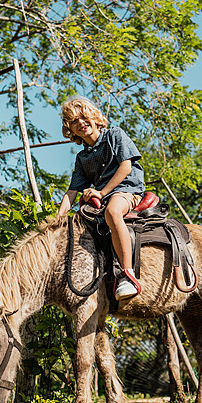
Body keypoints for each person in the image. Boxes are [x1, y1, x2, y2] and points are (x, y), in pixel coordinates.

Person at [57, 98, 145, 300]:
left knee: (112, 213)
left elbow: (126, 167)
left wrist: (101, 193)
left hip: (127, 189)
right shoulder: (82, 158)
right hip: (104, 196)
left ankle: (127, 274)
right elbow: (72, 192)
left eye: (83, 116)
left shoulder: (115, 135)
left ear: (94, 116)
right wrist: (57, 219)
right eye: (74, 121)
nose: (80, 122)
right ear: (71, 129)